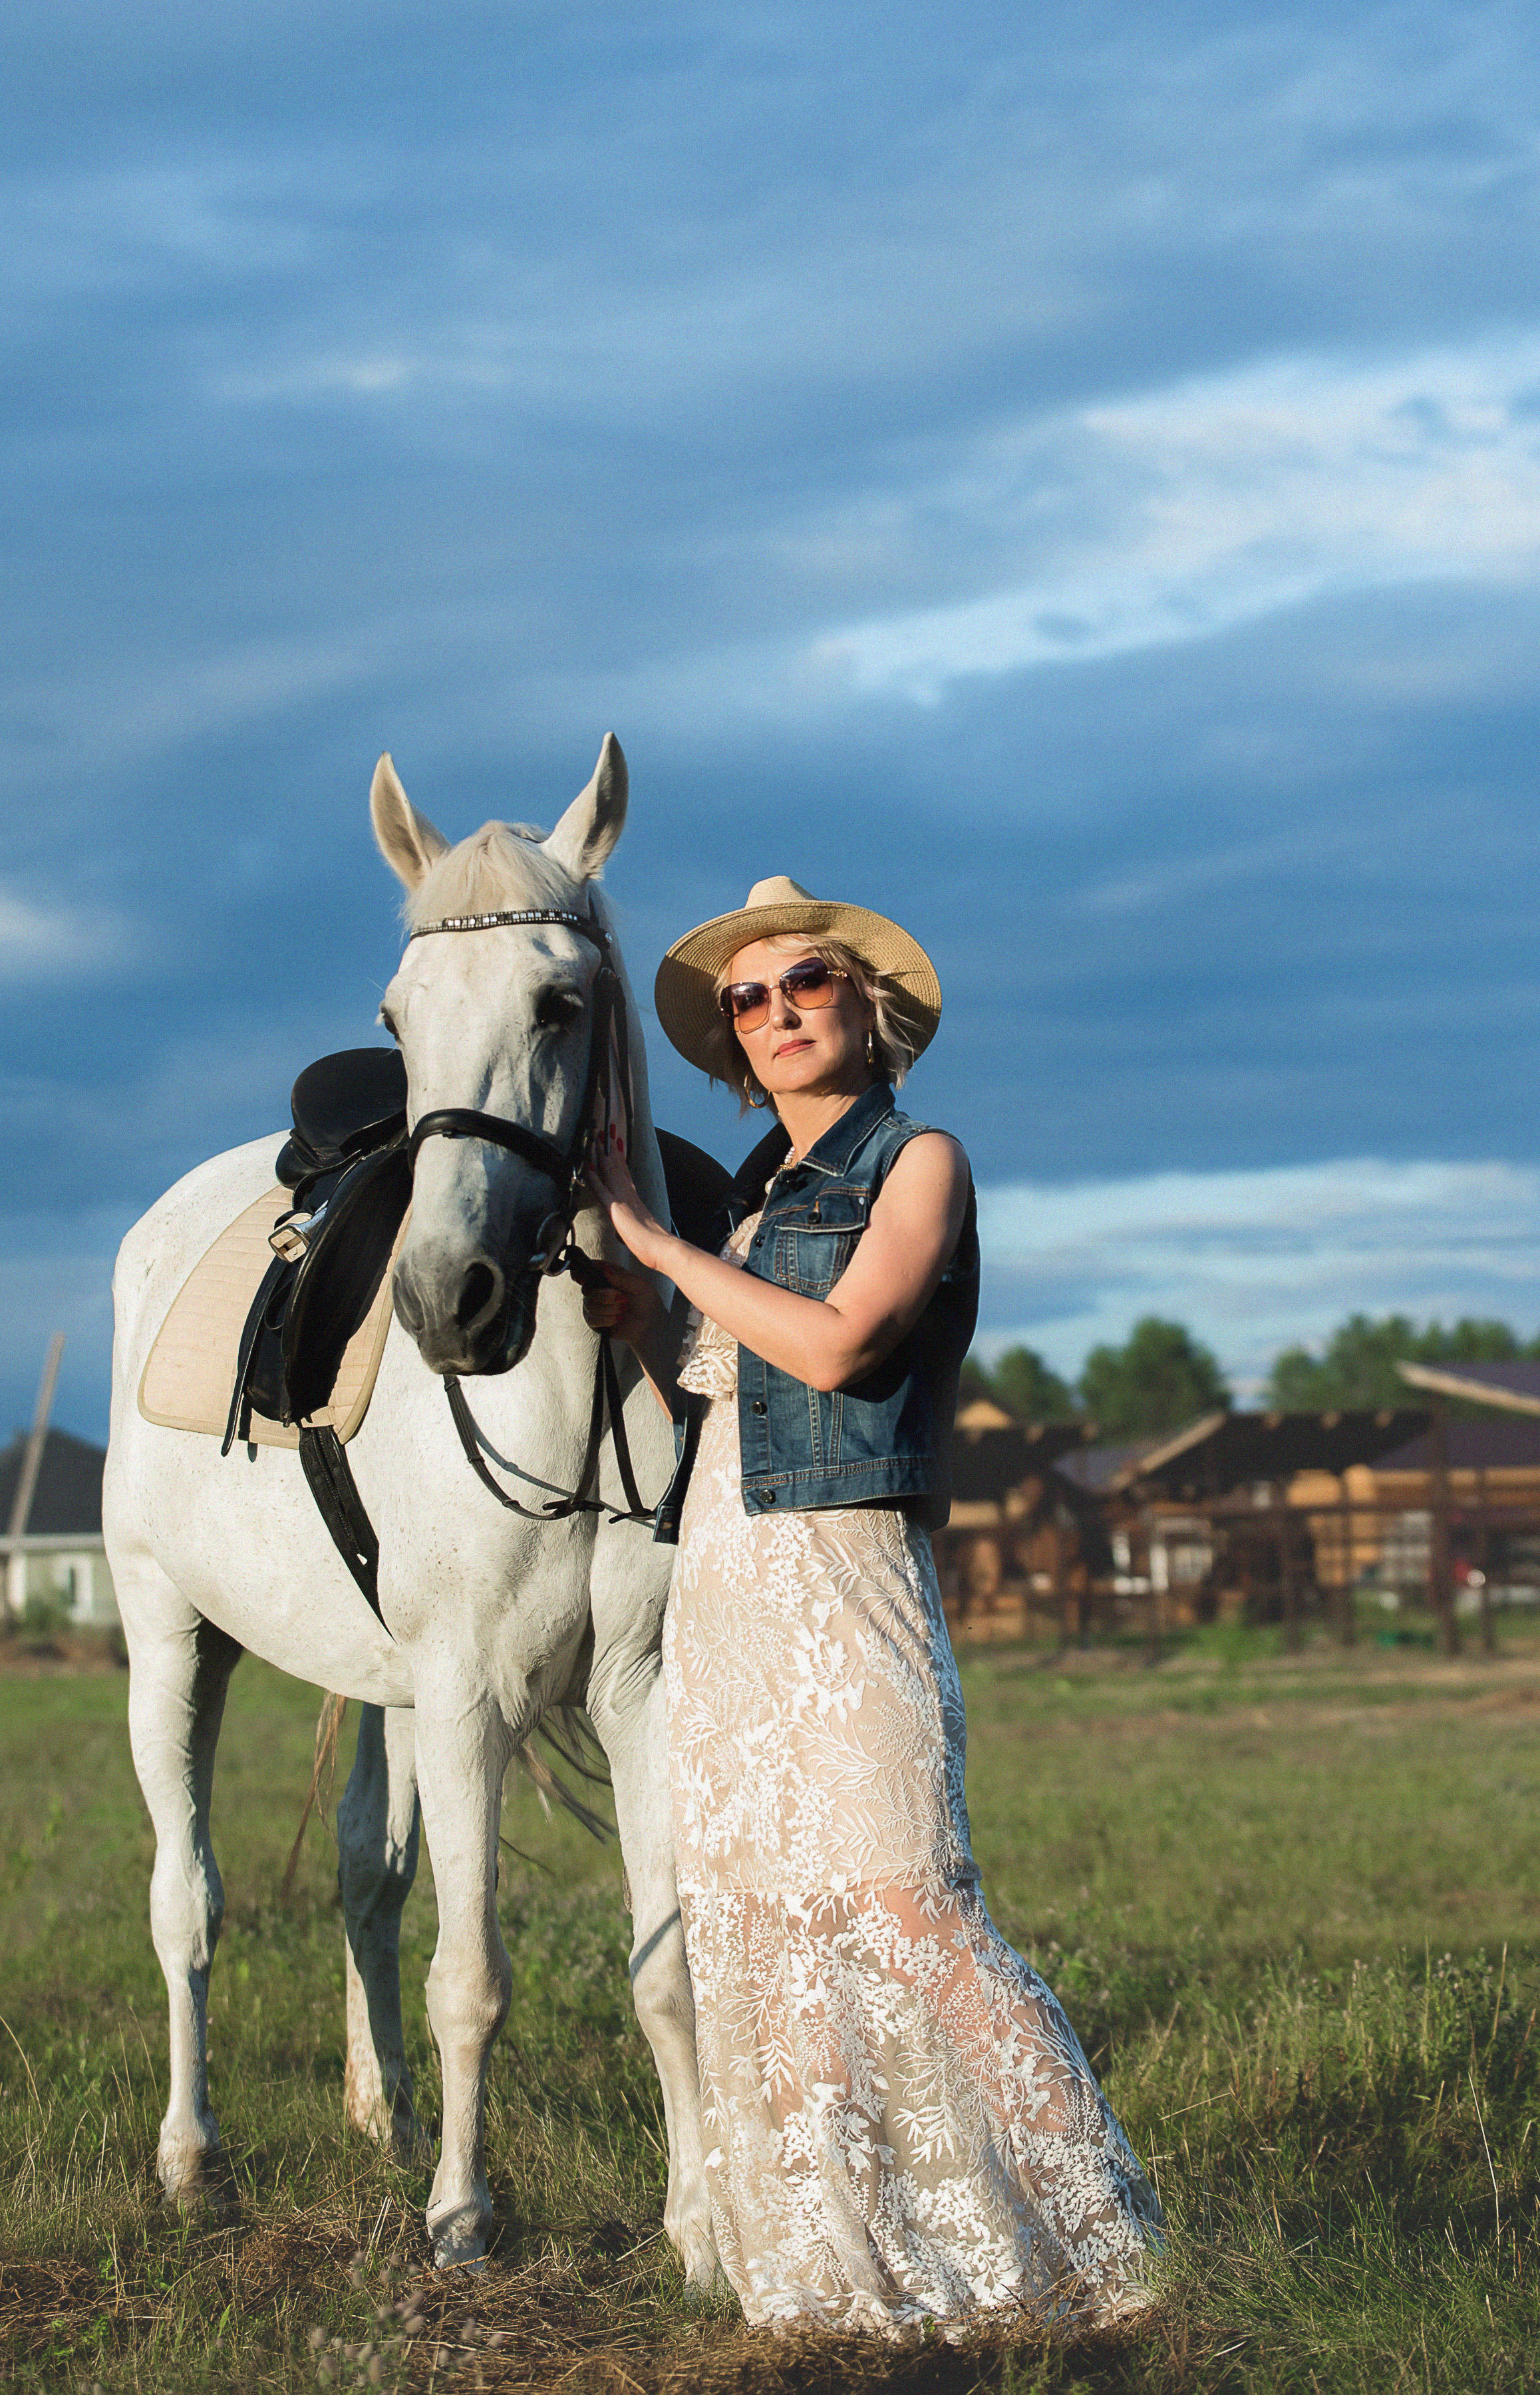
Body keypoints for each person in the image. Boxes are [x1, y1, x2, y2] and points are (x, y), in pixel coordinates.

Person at [581, 874, 1162, 2336]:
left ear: (868, 1006)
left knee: (910, 1901)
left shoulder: (919, 1162)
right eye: (749, 1000)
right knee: (767, 1924)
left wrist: (661, 1251)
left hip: (840, 1575)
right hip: (723, 1578)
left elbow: (839, 1352)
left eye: (806, 985)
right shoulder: (758, 1198)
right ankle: (841, 2282)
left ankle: (1106, 2261)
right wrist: (650, 1328)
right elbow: (722, 1410)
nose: (777, 1013)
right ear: (731, 1039)